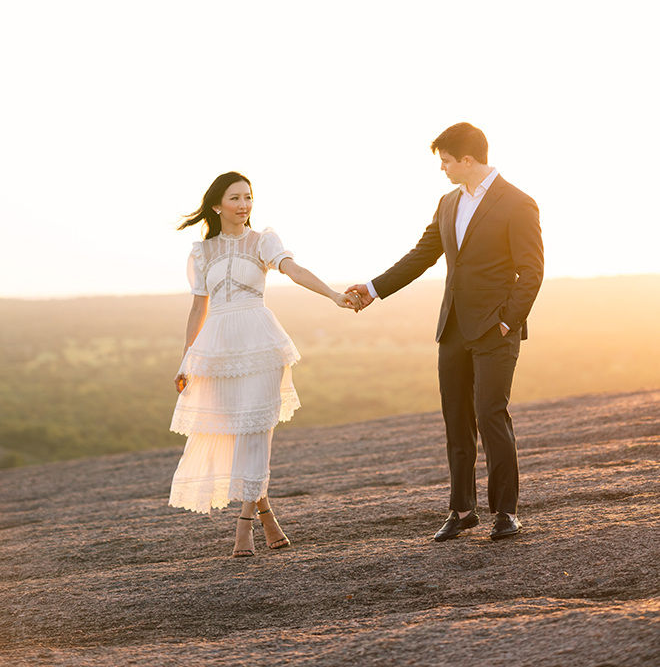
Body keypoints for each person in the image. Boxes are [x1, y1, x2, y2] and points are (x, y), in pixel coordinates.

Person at [348, 123, 543, 541]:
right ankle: (461, 510)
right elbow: (422, 255)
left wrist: (508, 320)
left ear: (467, 160)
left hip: (495, 329)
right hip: (452, 327)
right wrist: (372, 289)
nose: (442, 168)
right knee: (456, 420)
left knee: (491, 415)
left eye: (446, 160)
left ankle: (505, 513)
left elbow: (532, 271)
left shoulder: (518, 203)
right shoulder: (447, 203)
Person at [169, 171, 358, 557]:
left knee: (256, 431)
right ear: (217, 204)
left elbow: (294, 270)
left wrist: (333, 295)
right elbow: (197, 309)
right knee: (239, 433)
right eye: (235, 198)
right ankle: (268, 515)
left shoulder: (263, 240)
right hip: (218, 350)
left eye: (249, 197)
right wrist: (187, 358)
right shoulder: (201, 252)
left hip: (261, 342)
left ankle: (243, 528)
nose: (244, 205)